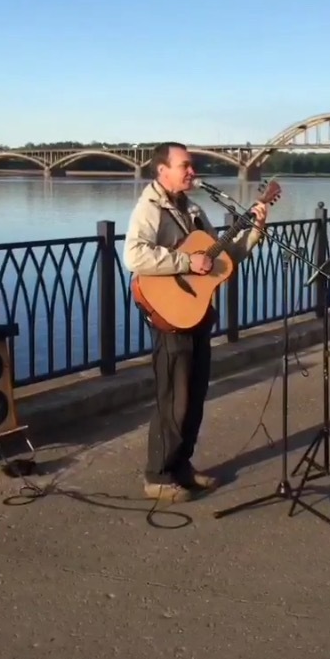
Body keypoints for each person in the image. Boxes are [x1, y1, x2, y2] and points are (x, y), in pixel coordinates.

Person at [123, 142, 269, 503]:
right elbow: (134, 255)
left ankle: (181, 466)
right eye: (185, 166)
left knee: (195, 394)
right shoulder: (150, 208)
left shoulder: (193, 209)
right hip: (169, 314)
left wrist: (253, 231)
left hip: (197, 312)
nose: (192, 171)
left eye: (192, 165)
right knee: (174, 396)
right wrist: (187, 264)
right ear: (163, 171)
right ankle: (157, 476)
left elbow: (222, 260)